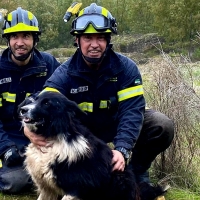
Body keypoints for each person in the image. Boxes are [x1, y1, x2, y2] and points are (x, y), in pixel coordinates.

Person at [23, 3, 174, 199]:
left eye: (101, 37)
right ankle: (78, 179)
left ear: (108, 40)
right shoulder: (64, 73)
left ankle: (136, 172)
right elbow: (43, 103)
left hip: (115, 125)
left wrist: (122, 150)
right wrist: (28, 129)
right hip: (84, 135)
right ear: (77, 40)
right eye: (87, 38)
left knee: (161, 125)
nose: (94, 44)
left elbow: (132, 112)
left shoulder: (126, 68)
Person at [0, 7, 60, 194]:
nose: (20, 42)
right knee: (14, 182)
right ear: (7, 40)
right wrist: (6, 148)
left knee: (63, 173)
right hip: (12, 138)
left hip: (46, 137)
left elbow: (61, 101)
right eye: (14, 37)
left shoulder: (49, 64)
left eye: (26, 36)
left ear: (35, 39)